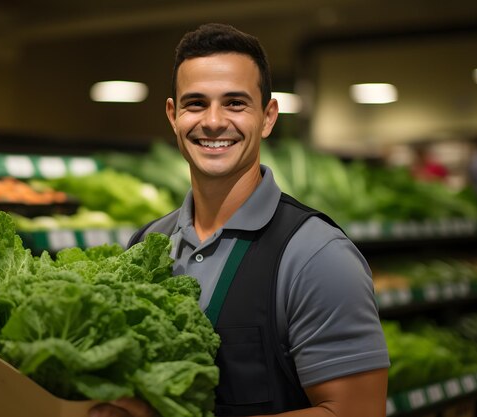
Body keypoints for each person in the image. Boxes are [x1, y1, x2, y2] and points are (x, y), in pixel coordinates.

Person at [89, 23, 389, 417]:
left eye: (235, 103)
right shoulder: (148, 244)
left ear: (267, 117)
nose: (213, 122)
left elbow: (357, 412)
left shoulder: (317, 255)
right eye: (195, 103)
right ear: (172, 115)